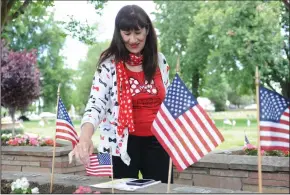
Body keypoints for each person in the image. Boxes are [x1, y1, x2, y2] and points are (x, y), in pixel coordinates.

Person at [72, 5, 172, 183]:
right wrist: (85, 138)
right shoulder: (107, 64)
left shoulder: (160, 60)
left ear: (147, 31)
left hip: (158, 142)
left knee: (161, 190)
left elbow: (167, 100)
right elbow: (96, 104)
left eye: (138, 32)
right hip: (119, 143)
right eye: (126, 33)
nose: (133, 39)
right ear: (119, 33)